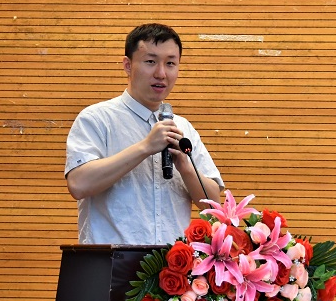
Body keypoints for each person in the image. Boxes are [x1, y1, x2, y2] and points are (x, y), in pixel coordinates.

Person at [65, 23, 224, 245]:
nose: (161, 73)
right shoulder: (96, 119)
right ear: (127, 65)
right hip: (111, 261)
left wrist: (185, 167)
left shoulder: (182, 127)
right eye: (150, 62)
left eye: (170, 63)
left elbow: (213, 207)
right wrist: (145, 147)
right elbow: (78, 184)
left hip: (171, 262)